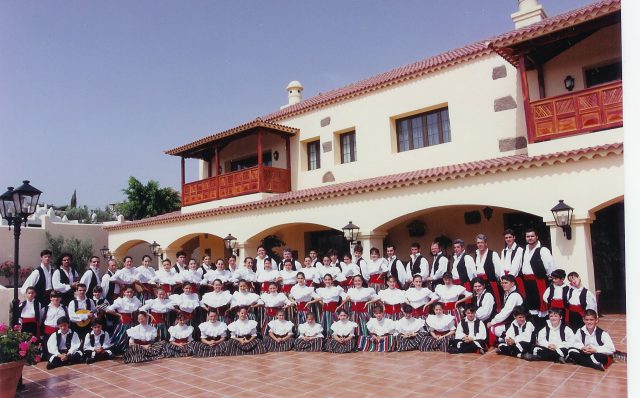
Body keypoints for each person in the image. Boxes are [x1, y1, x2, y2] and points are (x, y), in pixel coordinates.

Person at [520, 228, 555, 328]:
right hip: (527, 283)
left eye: (532, 236)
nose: (530, 238)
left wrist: (550, 280)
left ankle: (543, 329)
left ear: (536, 237)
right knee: (531, 307)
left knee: (542, 307)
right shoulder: (525, 250)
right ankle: (534, 331)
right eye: (528, 236)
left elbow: (550, 266)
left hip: (539, 282)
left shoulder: (543, 250)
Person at [486, 274, 524, 347]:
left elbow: (505, 312)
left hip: (521, 322)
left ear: (512, 284)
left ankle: (511, 340)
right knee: (495, 328)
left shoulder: (514, 295)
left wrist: (493, 322)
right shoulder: (507, 293)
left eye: (506, 283)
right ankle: (506, 339)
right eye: (502, 283)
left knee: (494, 328)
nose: (503, 285)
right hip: (513, 320)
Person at [106, 286, 142, 353]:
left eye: (131, 292)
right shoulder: (120, 301)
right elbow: (108, 310)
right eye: (127, 292)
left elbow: (140, 308)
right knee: (122, 336)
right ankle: (121, 349)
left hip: (133, 322)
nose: (129, 294)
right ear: (124, 292)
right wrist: (119, 315)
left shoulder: (135, 300)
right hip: (124, 323)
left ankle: (132, 349)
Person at [474, 234, 503, 311]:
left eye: (482, 242)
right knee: (481, 303)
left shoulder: (493, 254)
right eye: (478, 243)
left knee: (493, 304)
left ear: (486, 243)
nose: (480, 244)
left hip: (490, 283)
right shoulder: (476, 255)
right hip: (479, 284)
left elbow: (498, 271)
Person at [41, 292, 68, 358]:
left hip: (61, 331)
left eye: (58, 297)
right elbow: (41, 319)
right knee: (48, 349)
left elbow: (67, 319)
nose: (56, 298)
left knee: (59, 348)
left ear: (60, 298)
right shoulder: (45, 309)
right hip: (48, 332)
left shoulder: (64, 308)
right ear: (50, 298)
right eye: (53, 297)